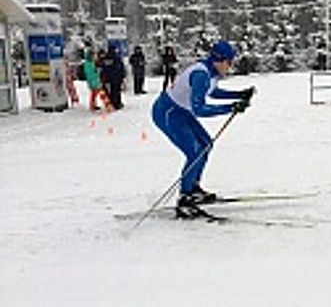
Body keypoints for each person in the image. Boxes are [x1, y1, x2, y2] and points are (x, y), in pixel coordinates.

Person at [151, 40, 255, 219]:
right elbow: (199, 108)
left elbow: (212, 91)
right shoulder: (201, 74)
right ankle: (184, 200)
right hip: (168, 113)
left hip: (181, 111)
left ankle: (193, 188)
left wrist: (239, 94)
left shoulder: (211, 72)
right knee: (194, 152)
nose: (230, 66)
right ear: (219, 60)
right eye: (229, 62)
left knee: (205, 144)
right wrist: (230, 107)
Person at [100, 45, 126, 110]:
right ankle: (117, 103)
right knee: (116, 91)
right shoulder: (116, 57)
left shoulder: (105, 58)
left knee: (111, 91)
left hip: (108, 78)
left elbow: (103, 68)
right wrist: (123, 75)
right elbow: (120, 67)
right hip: (116, 77)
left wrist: (103, 77)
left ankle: (112, 103)